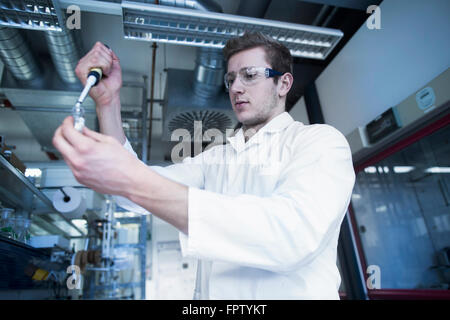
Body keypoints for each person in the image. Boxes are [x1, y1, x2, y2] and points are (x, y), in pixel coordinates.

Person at [53, 32, 356, 299]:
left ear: (283, 83)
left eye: (250, 75)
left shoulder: (320, 142)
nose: (236, 87)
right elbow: (131, 196)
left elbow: (290, 236)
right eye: (231, 79)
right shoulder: (217, 158)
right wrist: (108, 102)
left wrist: (132, 179)